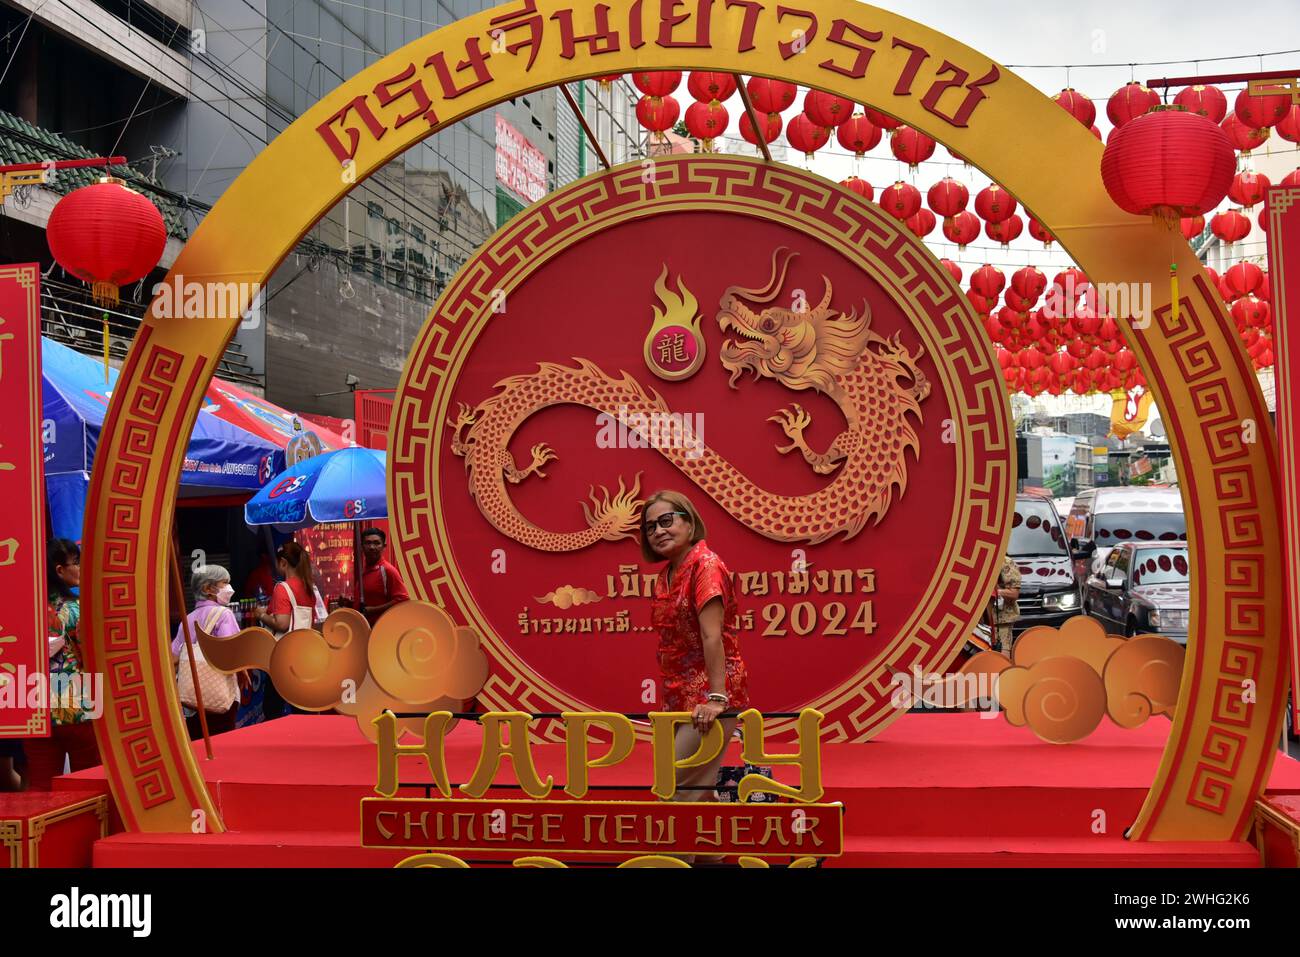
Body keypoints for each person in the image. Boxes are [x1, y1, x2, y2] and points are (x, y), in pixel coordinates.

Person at [642, 490, 750, 829]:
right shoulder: (666, 575)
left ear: (689, 522)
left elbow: (711, 635)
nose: (658, 531)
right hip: (677, 696)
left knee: (676, 789)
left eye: (666, 520)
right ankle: (710, 858)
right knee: (698, 793)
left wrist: (717, 698)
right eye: (649, 527)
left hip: (709, 699)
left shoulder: (706, 566)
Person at [25, 539, 101, 790]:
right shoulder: (76, 609)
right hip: (76, 704)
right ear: (60, 570)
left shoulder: (24, 610)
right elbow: (91, 657)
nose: (80, 568)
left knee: (41, 785)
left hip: (30, 704)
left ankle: (40, 829)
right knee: (87, 781)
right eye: (76, 563)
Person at [173, 565, 248, 740]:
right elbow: (229, 652)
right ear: (208, 589)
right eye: (224, 583)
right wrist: (243, 669)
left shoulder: (187, 620)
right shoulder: (224, 615)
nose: (229, 588)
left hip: (191, 700)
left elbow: (174, 658)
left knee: (198, 744)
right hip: (219, 696)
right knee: (222, 743)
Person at [253, 542, 321, 719]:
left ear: (283, 562)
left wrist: (261, 615)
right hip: (304, 653)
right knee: (303, 706)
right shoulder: (309, 587)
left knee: (272, 707)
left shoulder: (282, 588)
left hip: (283, 655)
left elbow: (282, 624)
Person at [360, 528, 409, 625]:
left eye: (377, 543)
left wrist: (373, 610)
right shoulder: (363, 571)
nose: (372, 547)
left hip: (383, 628)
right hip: (365, 629)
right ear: (362, 546)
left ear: (384, 546)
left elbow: (403, 599)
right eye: (368, 543)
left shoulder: (388, 570)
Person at [987, 555, 1022, 656]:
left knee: (1002, 656)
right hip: (980, 620)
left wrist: (994, 591)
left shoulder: (1005, 562)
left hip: (1001, 620)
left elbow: (1014, 593)